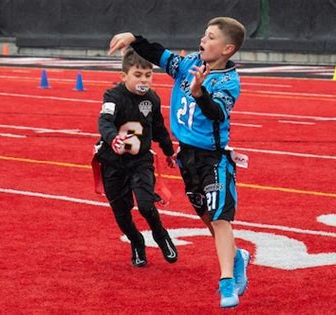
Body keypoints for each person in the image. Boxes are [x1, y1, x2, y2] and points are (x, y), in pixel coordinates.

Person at [108, 17, 250, 308]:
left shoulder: (228, 81)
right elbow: (159, 54)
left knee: (221, 217)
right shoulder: (189, 65)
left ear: (227, 48)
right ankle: (237, 257)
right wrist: (133, 37)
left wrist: (200, 94)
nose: (203, 40)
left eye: (211, 37)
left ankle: (226, 283)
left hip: (213, 158)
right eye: (204, 35)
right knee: (209, 219)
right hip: (187, 158)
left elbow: (216, 113)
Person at [94, 48, 178, 267]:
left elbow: (158, 127)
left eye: (148, 75)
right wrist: (113, 138)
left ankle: (161, 236)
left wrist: (169, 151)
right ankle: (137, 242)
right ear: (124, 76)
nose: (144, 80)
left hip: (140, 160)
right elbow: (104, 122)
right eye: (138, 75)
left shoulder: (152, 99)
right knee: (121, 213)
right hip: (113, 162)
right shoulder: (113, 96)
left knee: (145, 205)